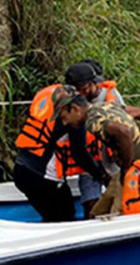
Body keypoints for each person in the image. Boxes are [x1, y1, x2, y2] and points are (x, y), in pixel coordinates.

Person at [66, 61, 140, 215]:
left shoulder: (107, 101)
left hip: (125, 165)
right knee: (95, 212)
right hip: (97, 164)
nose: (77, 94)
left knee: (119, 212)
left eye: (79, 89)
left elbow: (131, 124)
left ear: (89, 85)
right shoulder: (81, 107)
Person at [14, 84, 107, 222]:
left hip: (22, 169)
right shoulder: (75, 120)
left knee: (55, 215)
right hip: (41, 177)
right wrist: (102, 176)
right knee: (64, 217)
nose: (64, 121)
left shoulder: (53, 110)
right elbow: (79, 154)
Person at [54, 93, 140, 217]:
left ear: (75, 109)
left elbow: (124, 131)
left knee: (116, 215)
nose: (65, 123)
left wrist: (126, 168)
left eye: (65, 117)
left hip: (136, 171)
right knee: (96, 213)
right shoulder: (106, 106)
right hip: (132, 167)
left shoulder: (92, 121)